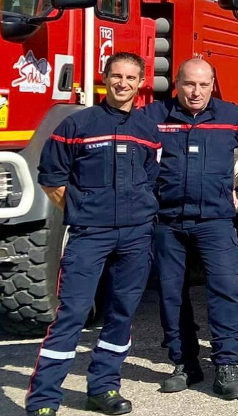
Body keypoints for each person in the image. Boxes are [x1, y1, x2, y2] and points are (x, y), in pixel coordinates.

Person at [27, 53, 162, 416]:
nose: (123, 83)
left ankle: (103, 388)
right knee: (71, 314)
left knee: (121, 313)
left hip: (135, 237)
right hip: (90, 235)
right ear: (105, 78)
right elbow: (52, 179)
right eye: (116, 76)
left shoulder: (148, 130)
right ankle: (43, 401)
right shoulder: (76, 125)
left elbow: (151, 178)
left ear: (140, 82)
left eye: (131, 77)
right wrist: (83, 213)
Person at [140, 58, 238, 399]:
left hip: (215, 220)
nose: (196, 92)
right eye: (189, 84)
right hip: (168, 221)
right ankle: (185, 363)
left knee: (225, 290)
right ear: (177, 84)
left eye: (203, 84)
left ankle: (227, 366)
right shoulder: (153, 116)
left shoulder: (231, 115)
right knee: (170, 294)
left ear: (213, 84)